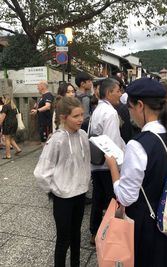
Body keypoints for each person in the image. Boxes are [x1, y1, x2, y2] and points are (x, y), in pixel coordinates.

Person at [105, 77, 167, 267]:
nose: (131, 114)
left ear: (140, 105)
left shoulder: (138, 144)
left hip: (146, 223)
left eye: (130, 108)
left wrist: (113, 168)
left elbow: (126, 197)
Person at [34, 97, 91, 267]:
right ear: (63, 117)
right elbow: (41, 172)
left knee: (76, 235)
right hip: (63, 197)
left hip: (80, 193)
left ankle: (76, 263)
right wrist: (54, 191)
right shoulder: (56, 140)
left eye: (82, 115)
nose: (81, 119)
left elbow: (85, 162)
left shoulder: (83, 135)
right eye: (76, 116)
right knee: (63, 238)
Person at [89, 78, 125, 245]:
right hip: (108, 165)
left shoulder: (98, 109)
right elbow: (112, 142)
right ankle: (110, 233)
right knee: (113, 200)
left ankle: (94, 231)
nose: (120, 94)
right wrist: (118, 166)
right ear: (109, 92)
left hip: (96, 163)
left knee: (98, 197)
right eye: (118, 90)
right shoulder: (110, 112)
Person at [0, 94, 21, 159]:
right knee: (10, 138)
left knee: (7, 139)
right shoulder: (13, 106)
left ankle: (8, 155)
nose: (2, 100)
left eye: (3, 99)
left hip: (8, 124)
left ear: (5, 99)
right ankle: (18, 149)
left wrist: (0, 124)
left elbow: (2, 117)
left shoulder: (5, 106)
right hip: (14, 124)